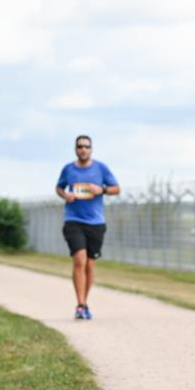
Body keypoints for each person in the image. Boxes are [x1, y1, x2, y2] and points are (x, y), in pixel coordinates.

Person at [55, 135, 120, 319]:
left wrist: (102, 190)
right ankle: (80, 304)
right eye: (80, 146)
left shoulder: (101, 168)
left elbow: (116, 188)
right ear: (75, 149)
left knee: (90, 264)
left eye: (86, 146)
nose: (83, 149)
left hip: (96, 222)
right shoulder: (68, 169)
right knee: (80, 260)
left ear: (91, 149)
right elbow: (59, 188)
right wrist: (64, 195)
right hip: (73, 220)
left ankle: (85, 301)